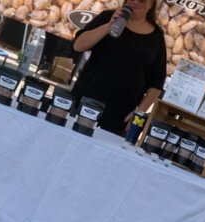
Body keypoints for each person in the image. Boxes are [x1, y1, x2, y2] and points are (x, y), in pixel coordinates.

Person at [69, 0, 167, 136]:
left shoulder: (156, 36)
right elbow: (78, 45)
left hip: (120, 114)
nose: (136, 2)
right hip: (86, 99)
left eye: (142, 0)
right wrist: (109, 26)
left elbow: (157, 82)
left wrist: (139, 113)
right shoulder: (107, 17)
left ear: (151, 5)